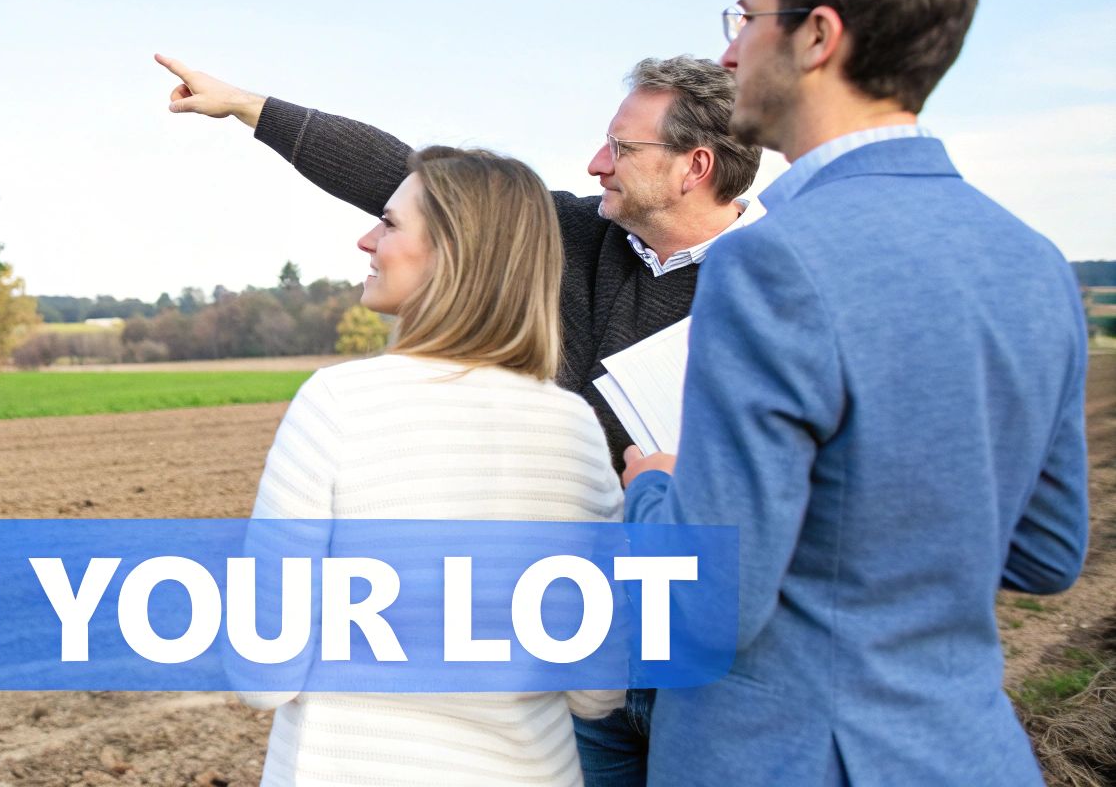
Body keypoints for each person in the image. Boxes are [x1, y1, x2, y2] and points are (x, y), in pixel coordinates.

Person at [162, 52, 761, 783]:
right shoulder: (571, 235)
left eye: (622, 147)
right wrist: (248, 106)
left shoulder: (780, 280)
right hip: (581, 648)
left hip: (708, 666)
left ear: (692, 167)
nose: (596, 162)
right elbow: (406, 180)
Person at [621, 0, 1090, 785]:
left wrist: (654, 490)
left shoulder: (769, 265)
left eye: (747, 17)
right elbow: (1045, 551)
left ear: (817, 36)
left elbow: (707, 608)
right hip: (968, 755)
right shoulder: (1034, 263)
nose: (730, 48)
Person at [243, 146, 625, 786]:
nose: (367, 238)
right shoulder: (578, 428)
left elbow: (263, 670)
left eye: (390, 223)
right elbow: (597, 690)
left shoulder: (338, 403)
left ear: (453, 255)